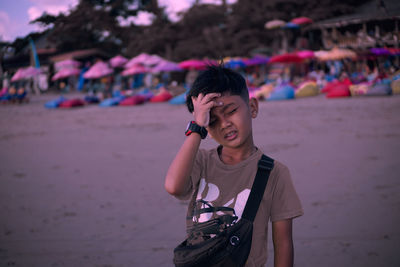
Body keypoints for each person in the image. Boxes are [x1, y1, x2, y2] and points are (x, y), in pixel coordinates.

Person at [165, 65, 303, 267]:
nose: (224, 124)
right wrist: (197, 128)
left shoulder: (275, 173)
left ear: (253, 107)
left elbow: (283, 243)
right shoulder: (200, 161)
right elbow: (173, 186)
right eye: (212, 121)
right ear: (208, 130)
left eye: (230, 111)